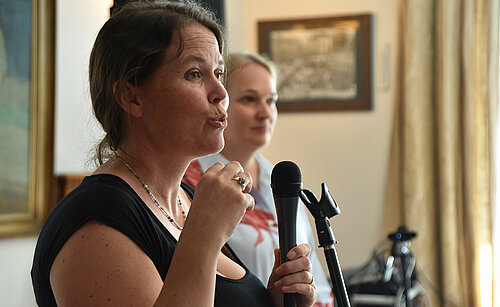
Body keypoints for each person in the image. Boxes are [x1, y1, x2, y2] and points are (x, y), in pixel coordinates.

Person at [31, 1, 317, 306]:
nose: (221, 92)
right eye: (194, 74)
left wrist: (273, 300)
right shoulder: (96, 218)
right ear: (131, 96)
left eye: (218, 73)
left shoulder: (189, 197)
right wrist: (205, 236)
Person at [183, 51, 334, 306]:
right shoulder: (190, 184)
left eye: (271, 101)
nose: (265, 112)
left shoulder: (284, 181)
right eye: (250, 99)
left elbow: (316, 280)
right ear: (220, 100)